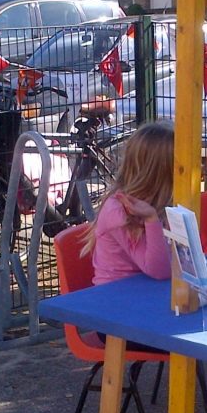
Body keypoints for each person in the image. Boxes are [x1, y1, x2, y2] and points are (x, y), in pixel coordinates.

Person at [82, 122, 174, 349]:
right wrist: (152, 221)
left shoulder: (160, 202)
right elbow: (159, 270)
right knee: (195, 336)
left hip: (147, 302)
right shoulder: (119, 210)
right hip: (116, 318)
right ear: (162, 170)